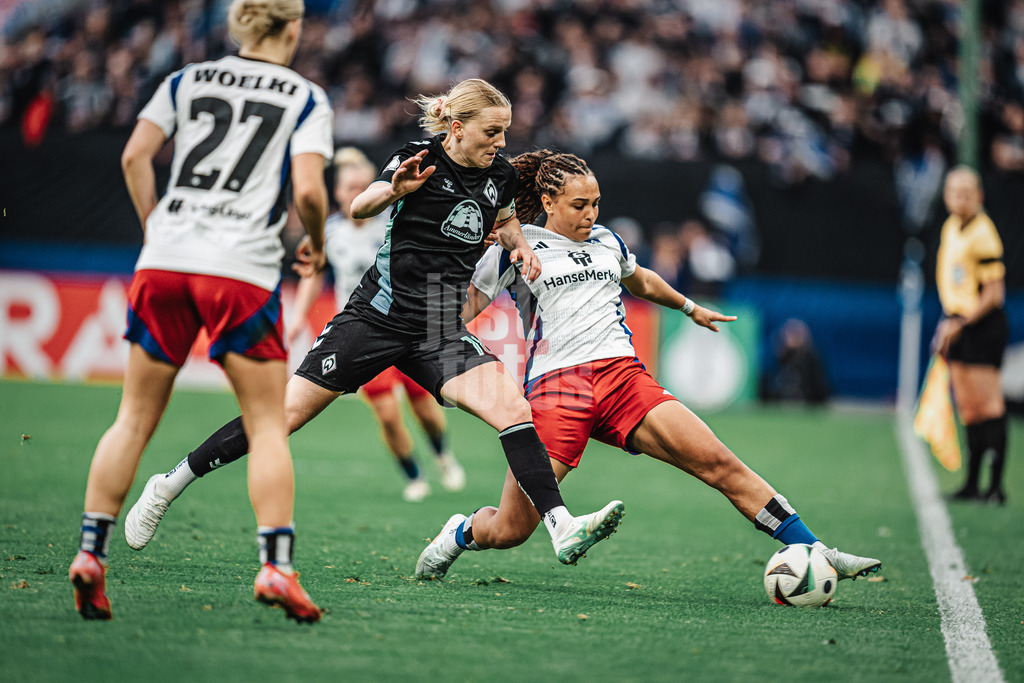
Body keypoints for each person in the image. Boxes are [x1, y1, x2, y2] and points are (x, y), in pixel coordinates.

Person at [123, 78, 625, 569]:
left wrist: (518, 246)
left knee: (513, 408)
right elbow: (361, 207)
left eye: (505, 132)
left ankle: (560, 524)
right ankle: (169, 484)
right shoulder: (419, 157)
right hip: (375, 318)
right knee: (279, 419)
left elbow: (506, 219)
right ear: (455, 126)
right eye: (491, 132)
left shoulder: (502, 175)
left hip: (437, 326)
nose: (501, 143)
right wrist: (394, 190)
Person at [415, 150, 882, 582]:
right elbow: (457, 311)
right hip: (558, 388)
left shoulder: (606, 240)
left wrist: (688, 307)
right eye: (579, 205)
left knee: (718, 462)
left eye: (596, 203)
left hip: (623, 378)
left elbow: (640, 280)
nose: (591, 214)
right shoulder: (514, 248)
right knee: (511, 529)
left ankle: (817, 551)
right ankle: (460, 533)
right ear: (548, 200)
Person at [69, 0, 331, 622]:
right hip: (238, 268)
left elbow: (134, 156)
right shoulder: (305, 95)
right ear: (292, 27)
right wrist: (315, 240)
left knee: (132, 418)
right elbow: (309, 191)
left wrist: (156, 226)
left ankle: (89, 555)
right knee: (267, 424)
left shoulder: (185, 79)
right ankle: (276, 568)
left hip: (164, 259)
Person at [288, 147, 466, 502]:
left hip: (407, 324)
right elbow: (313, 273)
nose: (355, 192)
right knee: (386, 413)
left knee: (424, 408)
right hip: (364, 331)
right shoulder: (328, 232)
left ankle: (443, 455)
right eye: (348, 187)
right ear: (337, 193)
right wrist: (296, 319)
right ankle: (415, 476)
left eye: (361, 185)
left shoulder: (392, 222)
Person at [933, 166, 1010, 504]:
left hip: (982, 325)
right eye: (954, 191)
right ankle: (972, 483)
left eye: (967, 192)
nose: (960, 198)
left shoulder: (984, 233)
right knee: (969, 408)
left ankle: (995, 486)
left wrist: (960, 322)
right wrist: (948, 320)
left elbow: (994, 294)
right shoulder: (952, 226)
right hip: (959, 322)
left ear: (979, 195)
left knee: (988, 404)